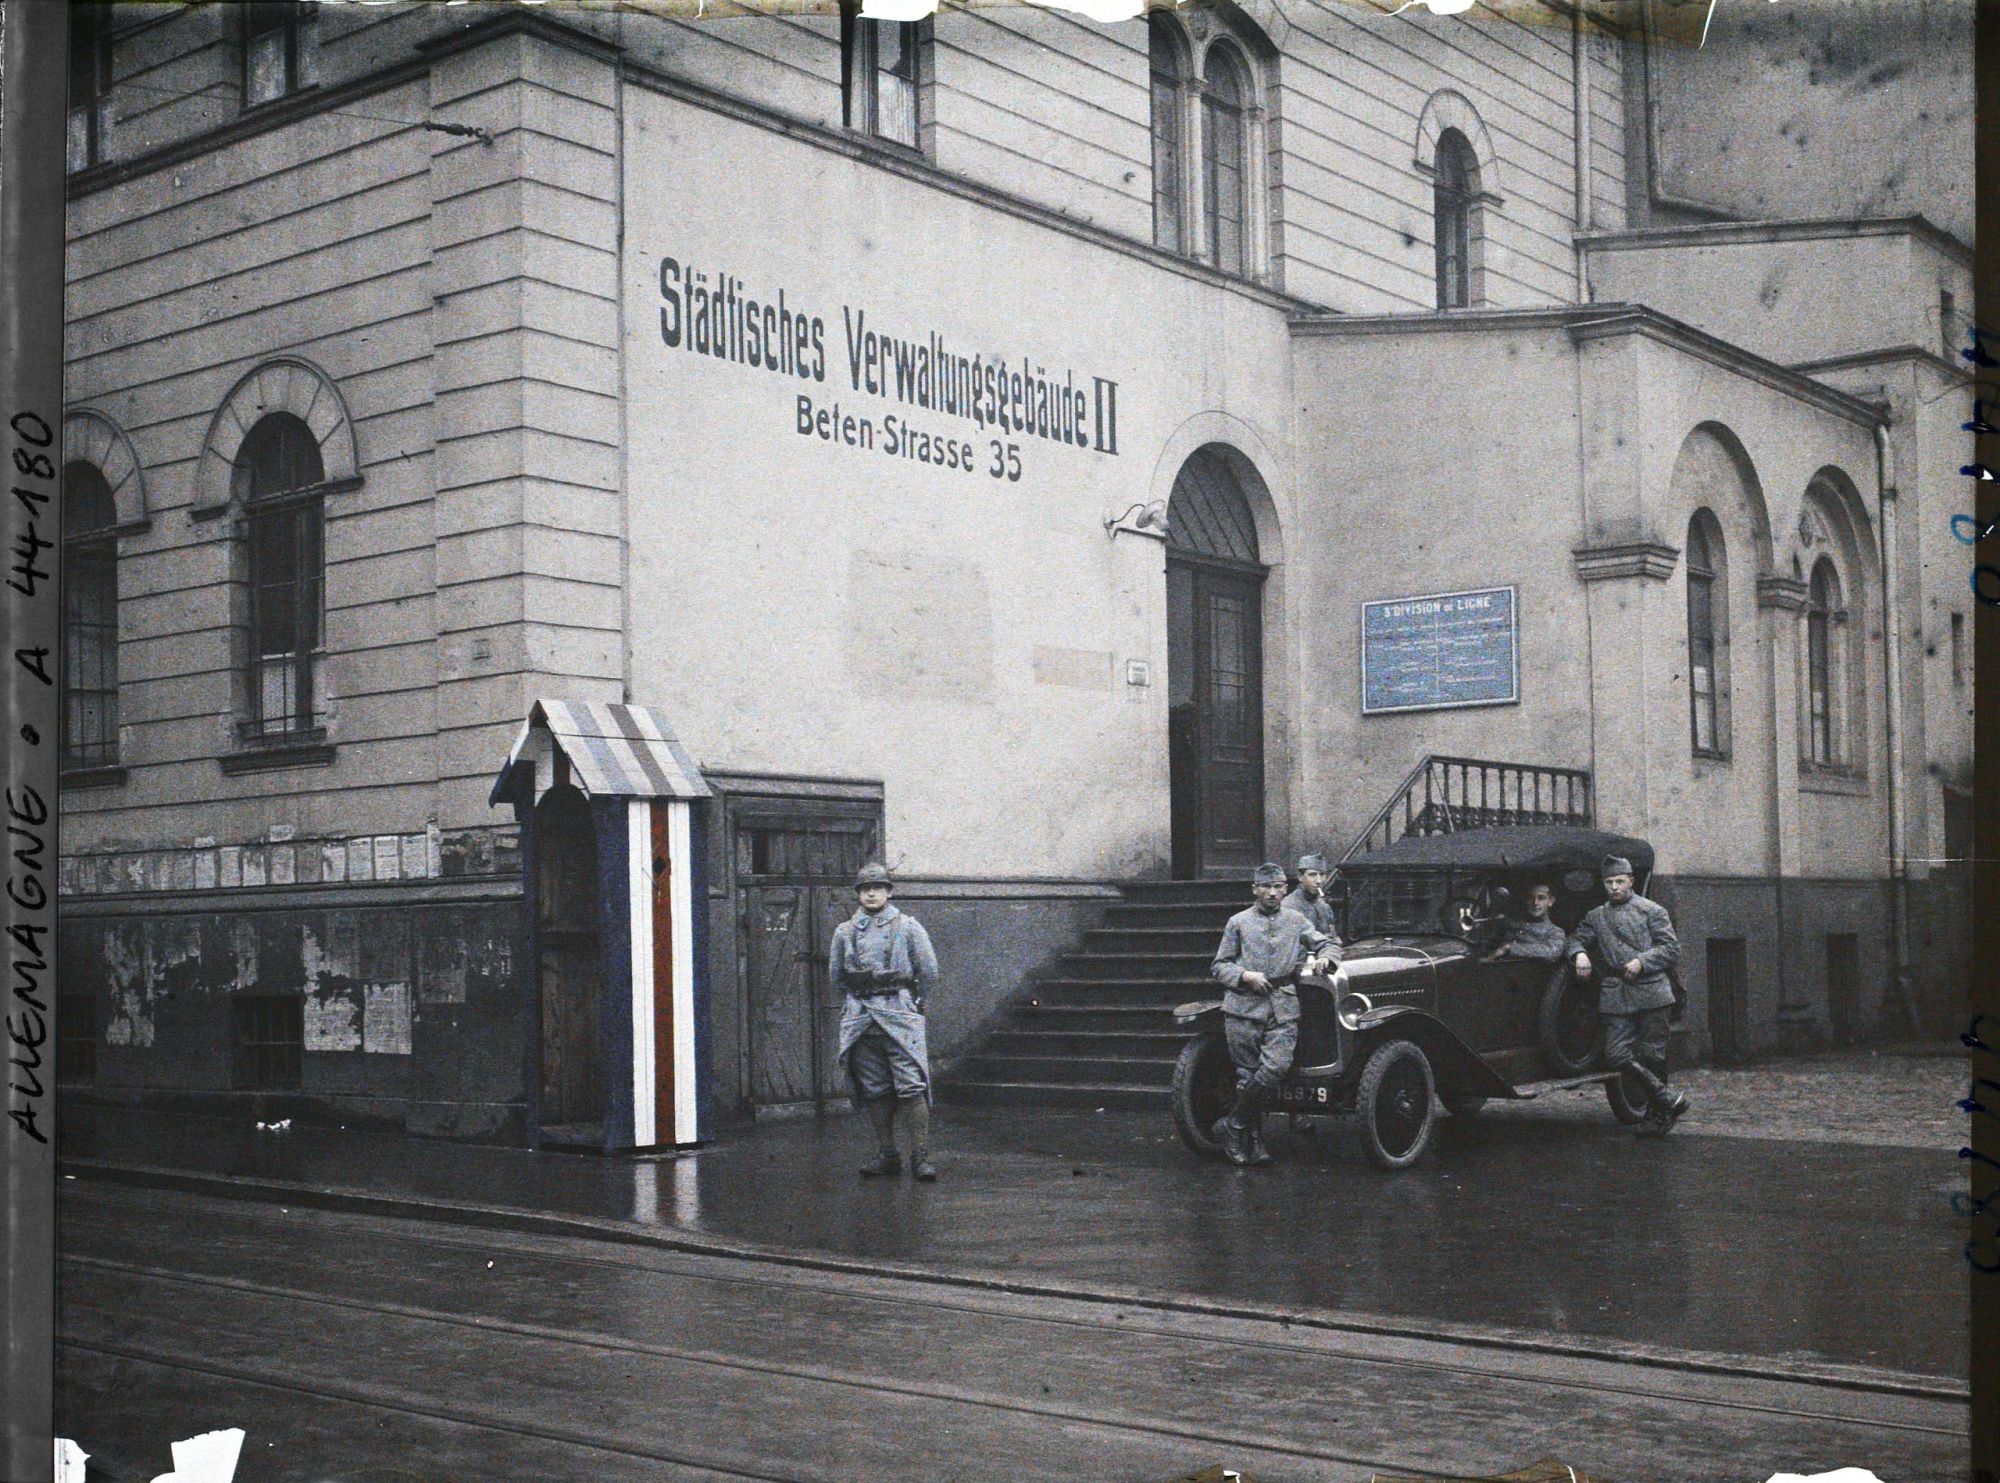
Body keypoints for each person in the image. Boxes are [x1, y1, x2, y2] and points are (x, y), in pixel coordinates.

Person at [1210, 862, 1338, 1167]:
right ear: (1255, 890)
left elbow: (1328, 942)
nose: (1272, 892)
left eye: (1278, 886)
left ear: (1285, 888)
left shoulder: (1296, 920)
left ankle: (1234, 1124)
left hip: (1282, 1006)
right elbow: (1220, 965)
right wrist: (1245, 976)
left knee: (1274, 1068)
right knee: (1246, 1076)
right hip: (1243, 1009)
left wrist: (1325, 959)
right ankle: (1252, 1142)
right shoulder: (1238, 922)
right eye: (1265, 887)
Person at [831, 862, 941, 1179]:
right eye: (865, 888)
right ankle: (888, 1153)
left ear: (889, 892)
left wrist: (915, 1001)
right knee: (875, 1088)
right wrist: (856, 1001)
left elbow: (929, 971)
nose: (871, 893)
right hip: (862, 1019)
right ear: (858, 894)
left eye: (878, 887)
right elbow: (836, 977)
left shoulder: (908, 927)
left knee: (910, 1085)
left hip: (899, 1015)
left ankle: (920, 1156)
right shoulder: (845, 932)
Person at [1566, 856, 1689, 1136]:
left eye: (1619, 881)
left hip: (1652, 991)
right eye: (1609, 882)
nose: (1614, 887)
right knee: (1615, 1054)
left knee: (1652, 1054)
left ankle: (1657, 1116)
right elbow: (1574, 938)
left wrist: (1642, 962)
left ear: (1631, 881)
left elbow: (1670, 949)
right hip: (1616, 994)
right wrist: (1580, 953)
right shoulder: (1596, 916)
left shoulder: (1652, 911)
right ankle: (1666, 1097)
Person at [1486, 881, 1568, 961]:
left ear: (1550, 901)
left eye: (1541, 898)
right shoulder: (1511, 922)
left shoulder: (1555, 931)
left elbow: (1553, 951)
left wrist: (1510, 948)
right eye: (1531, 898)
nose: (1535, 903)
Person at [1281, 852, 1342, 941]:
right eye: (1312, 875)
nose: (1319, 881)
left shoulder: (1324, 906)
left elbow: (1333, 935)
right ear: (1300, 877)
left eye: (1322, 874)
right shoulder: (1288, 907)